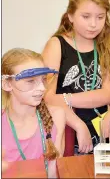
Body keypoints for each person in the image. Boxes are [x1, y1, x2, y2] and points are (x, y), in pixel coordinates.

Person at [42, 0, 110, 155]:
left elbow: (109, 94)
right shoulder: (56, 45)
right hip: (67, 131)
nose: (93, 24)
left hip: (102, 132)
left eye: (100, 17)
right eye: (86, 16)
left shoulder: (107, 46)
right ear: (70, 15)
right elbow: (46, 97)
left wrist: (66, 99)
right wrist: (79, 124)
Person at [2, 48, 66, 176]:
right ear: (7, 85)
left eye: (43, 79)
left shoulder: (56, 116)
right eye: (30, 81)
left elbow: (53, 174)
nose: (42, 88)